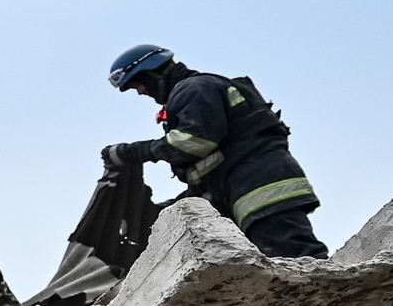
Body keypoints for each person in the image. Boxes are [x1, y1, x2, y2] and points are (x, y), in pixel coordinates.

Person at [102, 45, 325, 260]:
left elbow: (194, 142)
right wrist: (166, 214)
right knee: (277, 272)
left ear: (154, 71)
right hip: (247, 186)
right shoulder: (196, 90)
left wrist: (132, 152)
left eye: (138, 83)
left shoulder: (194, 88)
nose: (141, 91)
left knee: (294, 259)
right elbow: (214, 168)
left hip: (262, 189)